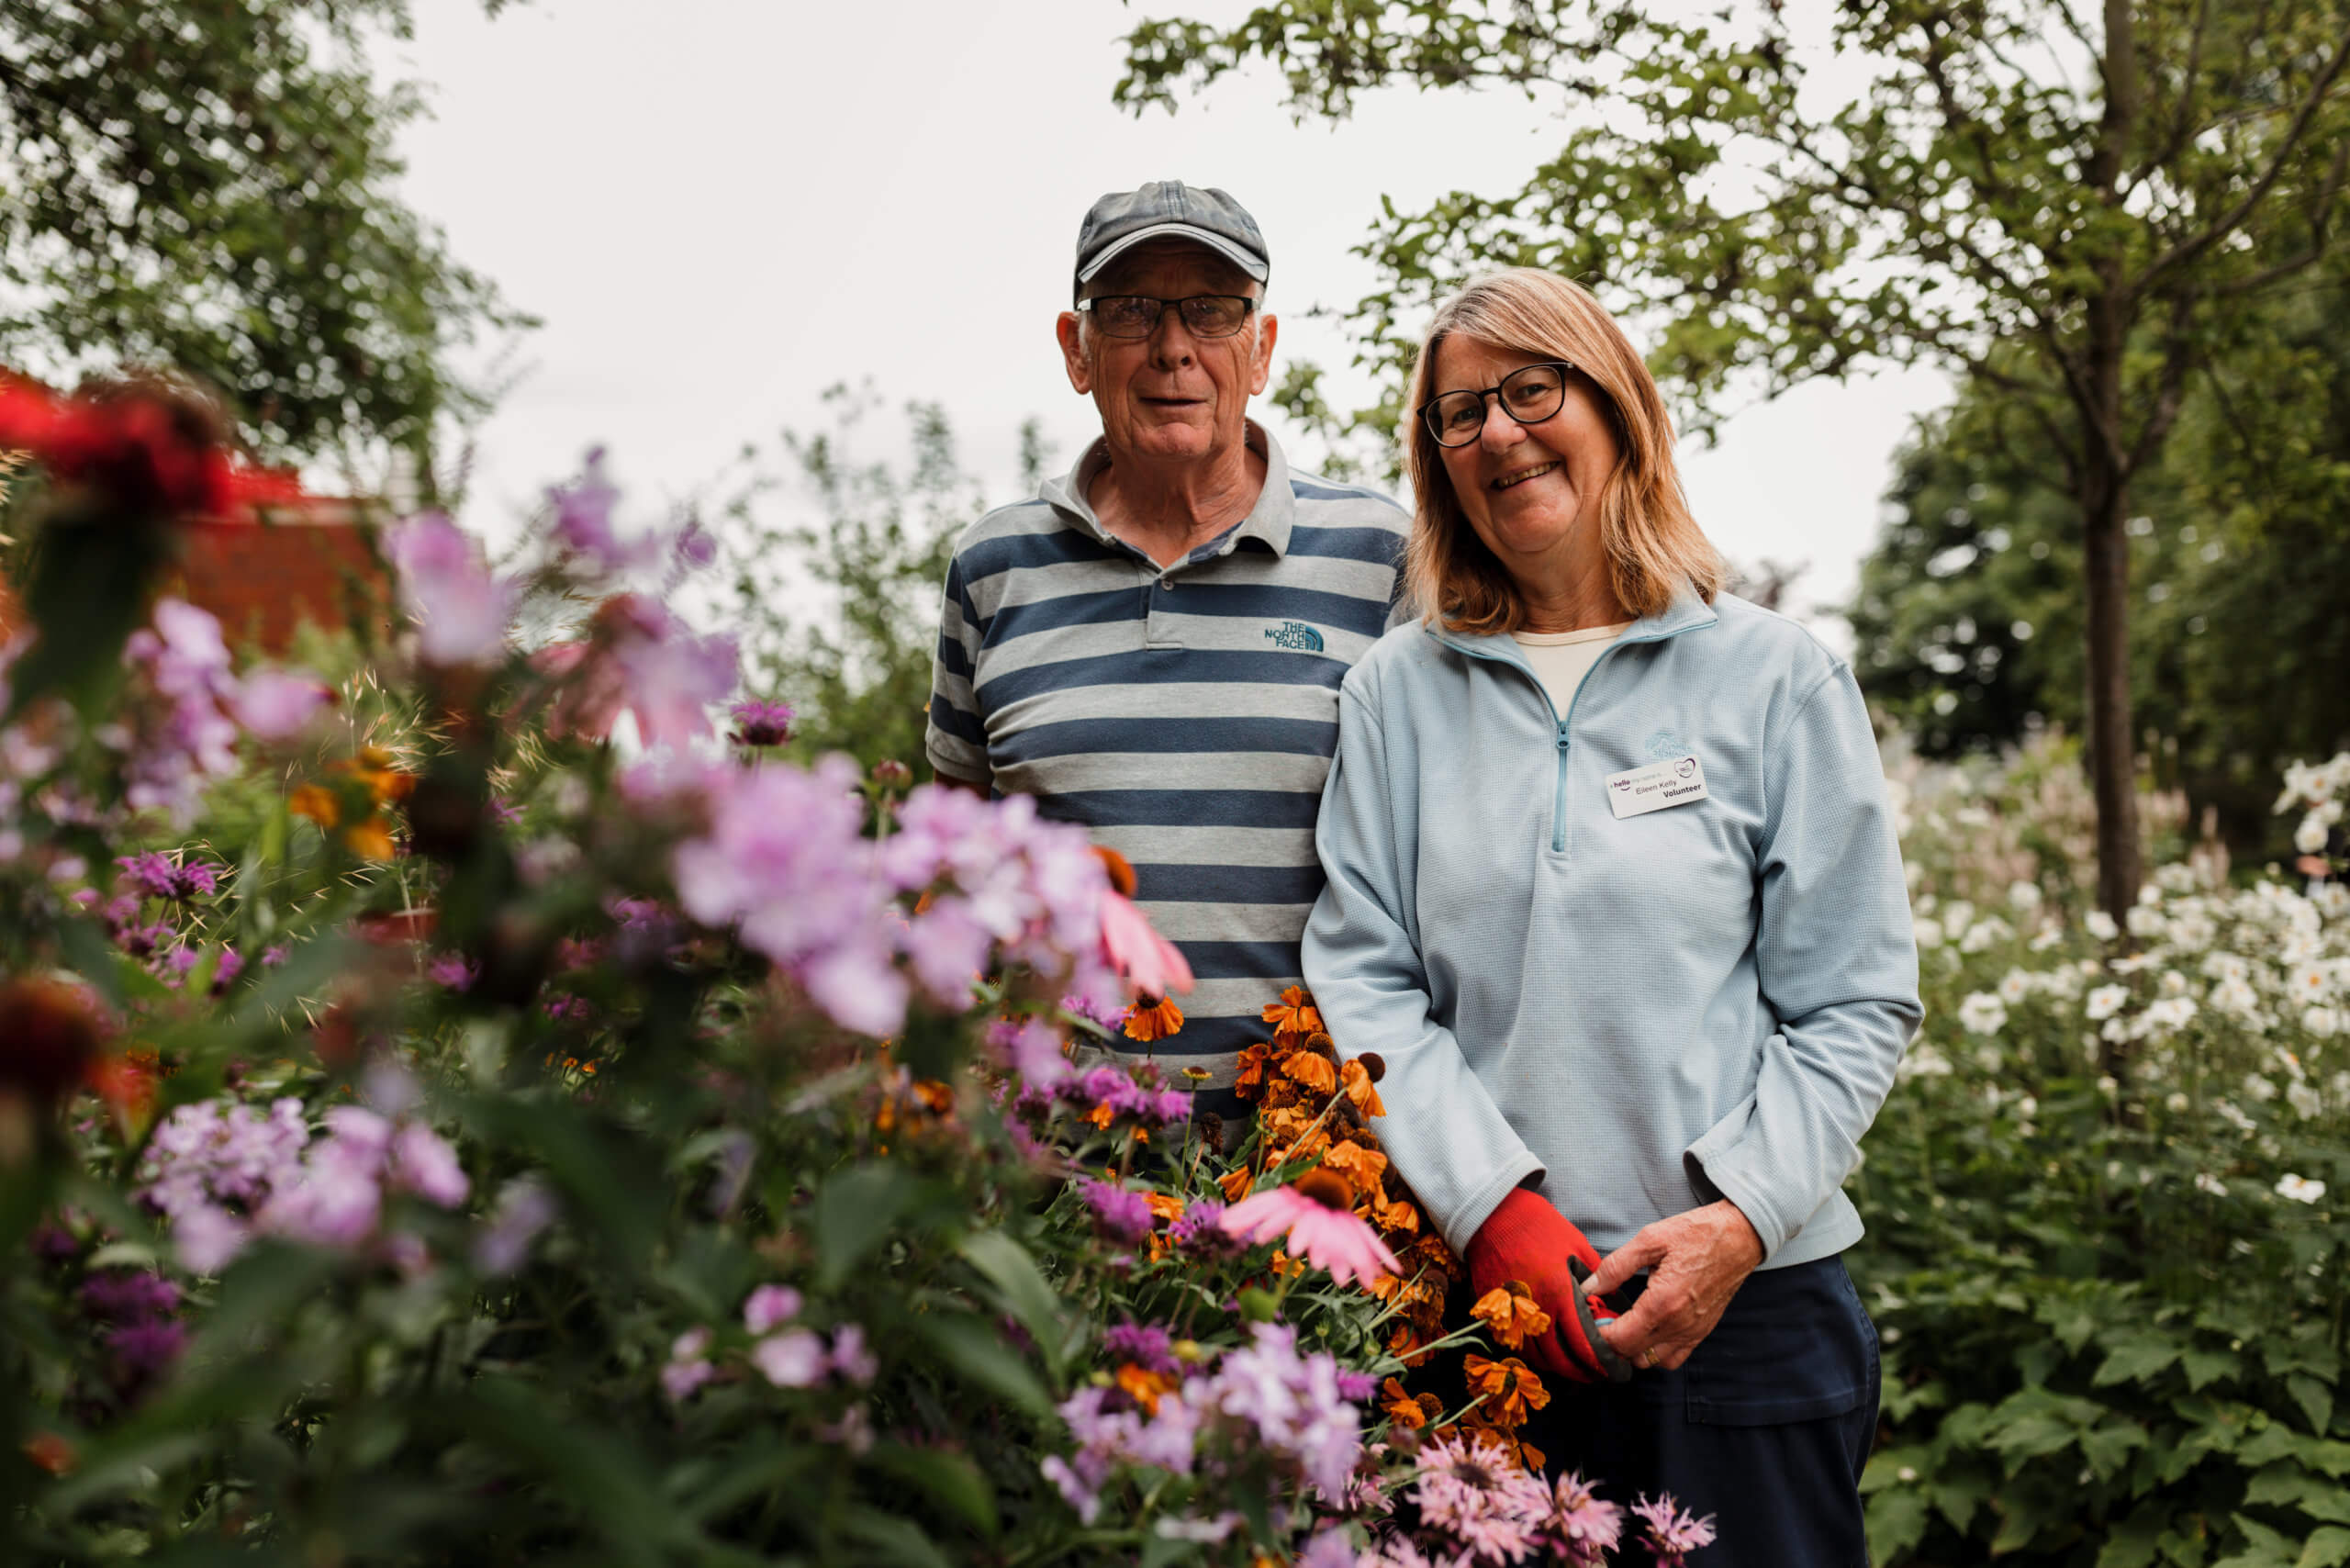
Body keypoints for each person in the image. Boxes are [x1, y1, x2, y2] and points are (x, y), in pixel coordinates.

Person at [1302, 267, 1919, 1563]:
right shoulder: (1394, 698)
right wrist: (1492, 1208)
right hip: (1492, 1327)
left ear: (1617, 406)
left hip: (1751, 1313)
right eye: (1459, 414)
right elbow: (1365, 980)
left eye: (1533, 389)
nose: (1499, 434)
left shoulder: (1776, 677)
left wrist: (1739, 1221)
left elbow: (1855, 997)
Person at [923, 182, 1409, 1115]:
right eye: (1133, 310)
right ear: (1078, 349)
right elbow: (956, 856)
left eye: (1213, 310)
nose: (1173, 347)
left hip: (1316, 1162)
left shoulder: (1379, 557)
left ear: (1260, 349)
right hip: (1055, 1170)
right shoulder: (993, 568)